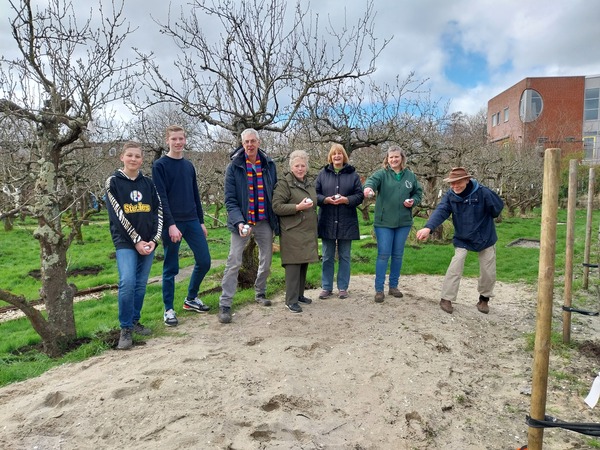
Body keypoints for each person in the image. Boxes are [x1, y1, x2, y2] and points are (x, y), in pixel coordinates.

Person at [416, 167, 504, 314]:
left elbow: (497, 208)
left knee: (488, 270)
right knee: (456, 265)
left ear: (467, 180)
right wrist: (428, 228)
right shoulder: (450, 195)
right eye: (452, 183)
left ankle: (484, 299)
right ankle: (446, 298)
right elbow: (441, 211)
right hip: (463, 236)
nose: (455, 186)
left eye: (458, 182)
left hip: (485, 236)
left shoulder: (483, 192)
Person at [217, 128, 280, 324]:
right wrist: (239, 222)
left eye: (253, 141)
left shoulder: (269, 165)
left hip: (263, 220)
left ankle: (260, 293)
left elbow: (275, 191)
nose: (250, 145)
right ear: (242, 144)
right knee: (234, 260)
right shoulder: (234, 167)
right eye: (246, 142)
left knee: (267, 259)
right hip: (242, 222)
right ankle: (225, 303)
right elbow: (230, 200)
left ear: (259, 142)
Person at [105, 142, 163, 350]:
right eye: (130, 155)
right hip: (125, 242)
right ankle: (125, 328)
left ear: (142, 160)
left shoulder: (148, 184)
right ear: (122, 157)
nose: (133, 159)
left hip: (148, 242)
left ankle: (135, 321)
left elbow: (158, 211)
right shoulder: (113, 183)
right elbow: (118, 215)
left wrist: (154, 239)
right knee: (127, 281)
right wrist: (136, 240)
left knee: (140, 284)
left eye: (137, 156)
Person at [152, 125, 211, 327]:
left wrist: (201, 221)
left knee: (204, 261)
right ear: (167, 140)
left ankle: (191, 298)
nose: (178, 142)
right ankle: (168, 309)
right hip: (173, 223)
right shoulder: (160, 166)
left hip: (192, 220)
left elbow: (195, 195)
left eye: (181, 139)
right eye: (174, 139)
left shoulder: (188, 166)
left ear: (185, 140)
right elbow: (161, 198)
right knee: (171, 267)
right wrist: (170, 224)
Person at [363, 146, 422, 303]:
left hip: (403, 222)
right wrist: (368, 189)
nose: (394, 160)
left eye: (396, 157)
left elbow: (418, 193)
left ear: (402, 158)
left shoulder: (410, 176)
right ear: (387, 159)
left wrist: (413, 201)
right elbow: (371, 182)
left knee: (397, 255)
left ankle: (393, 286)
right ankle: (379, 289)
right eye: (391, 157)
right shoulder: (382, 174)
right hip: (384, 223)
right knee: (383, 255)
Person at [315, 143, 364, 299]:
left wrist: (346, 200)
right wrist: (325, 199)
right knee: (327, 256)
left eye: (340, 154)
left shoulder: (353, 175)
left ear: (344, 156)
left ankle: (343, 287)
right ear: (330, 156)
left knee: (344, 256)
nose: (337, 156)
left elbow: (359, 195)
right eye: (334, 154)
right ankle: (326, 287)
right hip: (327, 220)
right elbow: (314, 194)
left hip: (346, 221)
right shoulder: (322, 174)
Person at [272, 150, 319, 313]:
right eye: (297, 165)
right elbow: (277, 206)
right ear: (291, 167)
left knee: (303, 262)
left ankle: (299, 295)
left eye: (303, 165)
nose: (300, 168)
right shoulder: (284, 183)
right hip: (292, 230)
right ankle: (290, 300)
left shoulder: (309, 182)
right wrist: (298, 207)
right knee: (293, 264)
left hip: (306, 229)